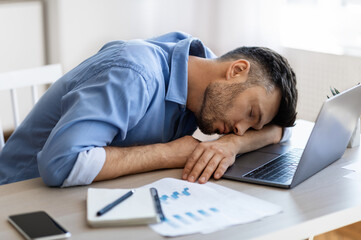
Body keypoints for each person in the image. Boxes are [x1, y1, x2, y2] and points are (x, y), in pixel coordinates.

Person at [0, 32, 297, 187]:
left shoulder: (200, 68)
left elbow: (280, 132)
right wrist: (173, 153)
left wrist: (234, 144)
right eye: (250, 114)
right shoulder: (134, 73)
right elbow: (60, 166)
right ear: (237, 70)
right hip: (19, 201)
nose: (241, 127)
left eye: (252, 127)